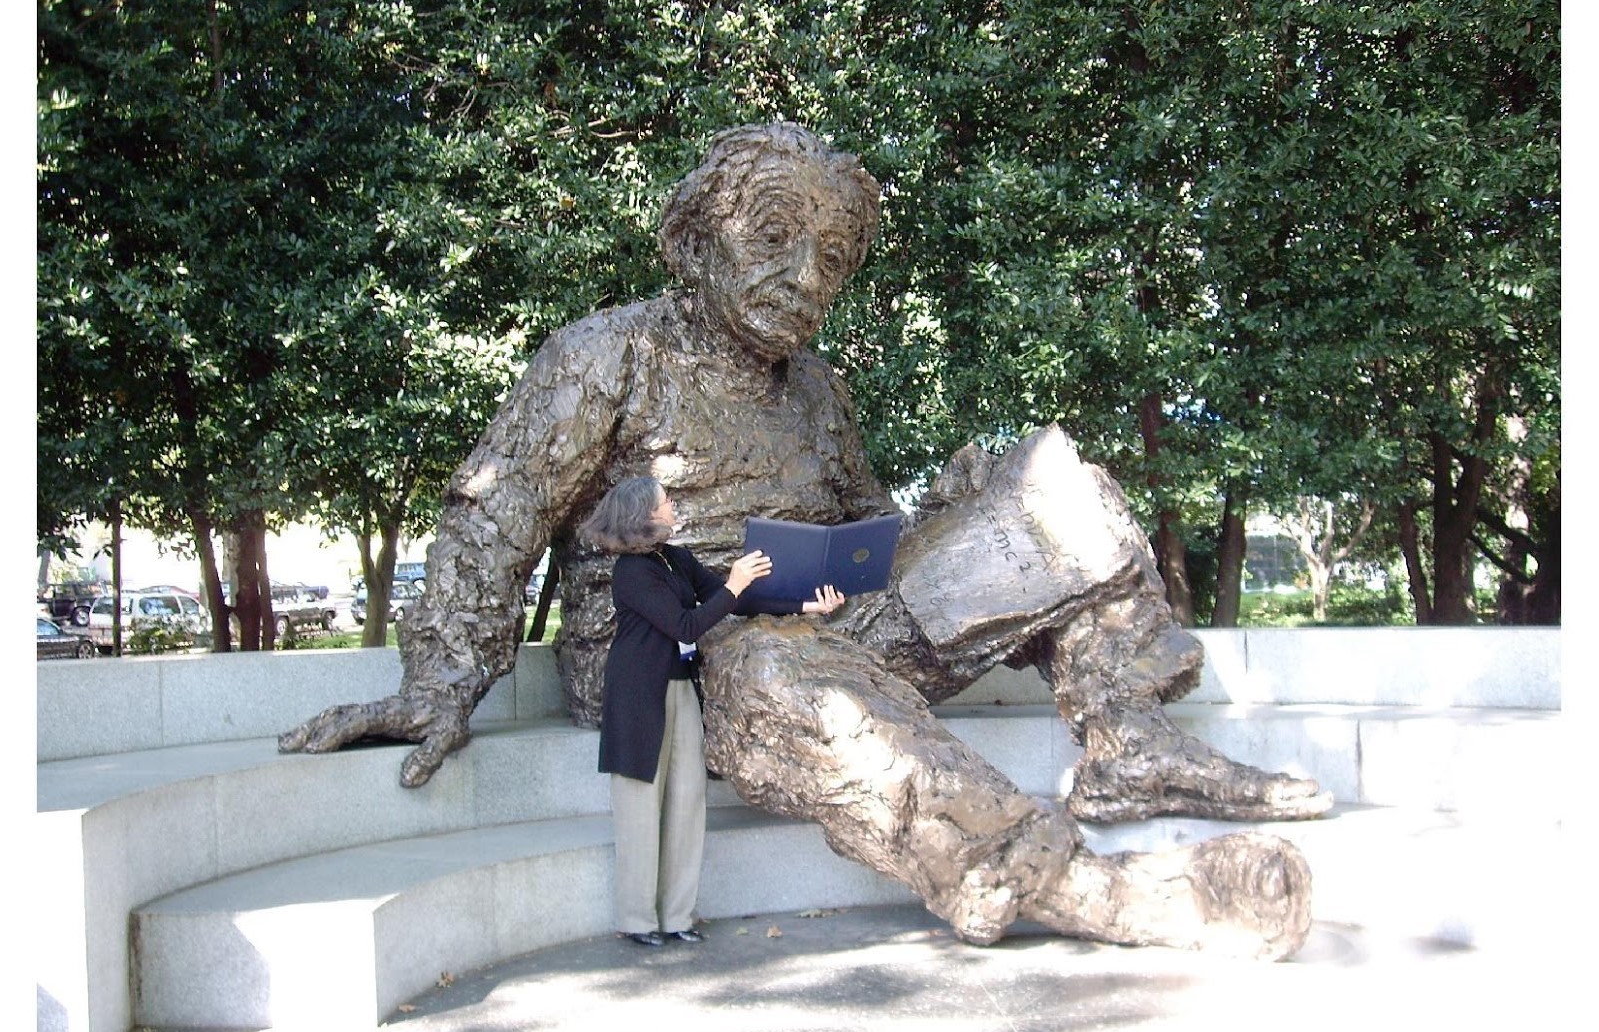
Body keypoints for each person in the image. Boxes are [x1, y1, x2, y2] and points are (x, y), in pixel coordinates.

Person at [282, 122, 1325, 959]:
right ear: (693, 244)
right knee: (784, 663)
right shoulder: (608, 355)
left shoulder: (819, 390)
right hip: (683, 638)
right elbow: (493, 512)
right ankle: (1091, 888)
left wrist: (950, 519)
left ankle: (1125, 744)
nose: (805, 276)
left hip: (825, 621)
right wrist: (442, 679)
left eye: (831, 257)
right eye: (773, 237)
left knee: (1051, 483)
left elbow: (872, 540)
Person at [580, 475, 844, 945]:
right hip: (638, 696)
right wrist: (735, 583)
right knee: (641, 808)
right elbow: (687, 622)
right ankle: (638, 920)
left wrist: (806, 606)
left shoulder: (675, 558)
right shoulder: (631, 572)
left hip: (681, 689)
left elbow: (736, 599)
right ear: (644, 514)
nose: (674, 504)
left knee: (687, 803)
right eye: (666, 501)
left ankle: (678, 916)